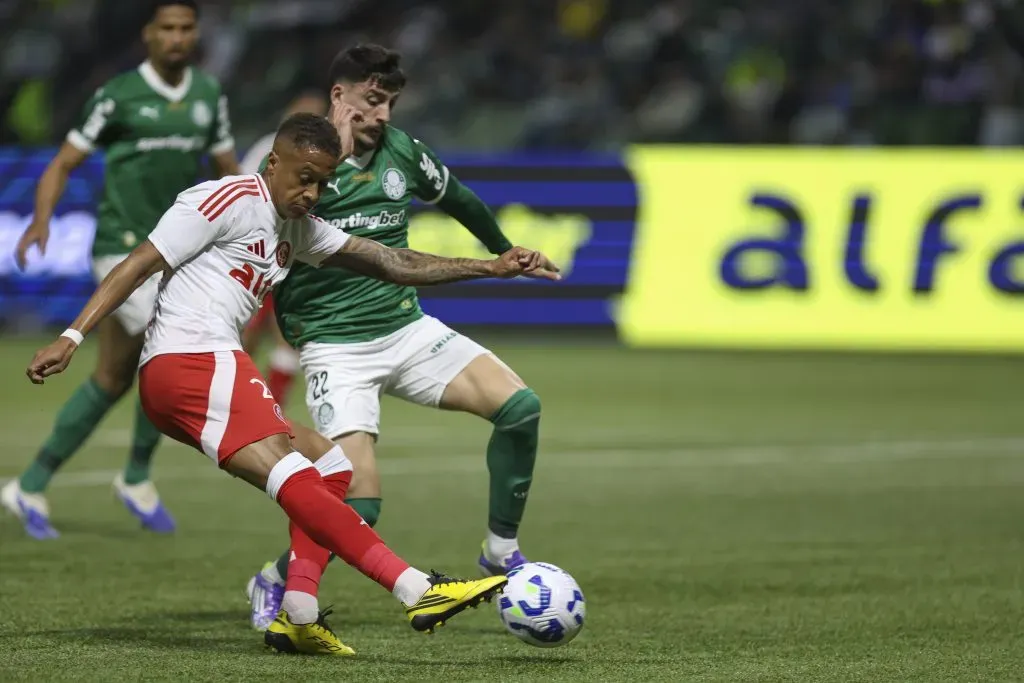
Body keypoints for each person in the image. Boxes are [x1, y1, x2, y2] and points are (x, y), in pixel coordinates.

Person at [26, 112, 558, 655]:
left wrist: (490, 267)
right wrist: (71, 336)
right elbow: (140, 262)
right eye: (304, 176)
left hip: (199, 372)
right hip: (191, 360)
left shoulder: (298, 229)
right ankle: (419, 589)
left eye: (323, 182)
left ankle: (298, 612)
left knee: (331, 466)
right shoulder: (226, 199)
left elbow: (394, 262)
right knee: (298, 477)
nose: (313, 191)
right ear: (274, 162)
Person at [245, 44, 558, 630]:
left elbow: (458, 197)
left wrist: (502, 250)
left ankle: (499, 551)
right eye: (372, 99)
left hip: (407, 330)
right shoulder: (302, 168)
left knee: (520, 407)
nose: (384, 113)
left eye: (389, 101)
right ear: (339, 97)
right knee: (360, 502)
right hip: (337, 349)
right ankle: (276, 578)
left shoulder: (402, 151)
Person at [2, 0, 239, 538]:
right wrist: (40, 221)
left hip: (177, 250)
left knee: (112, 378)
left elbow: (228, 170)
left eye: (186, 29)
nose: (178, 38)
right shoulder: (118, 96)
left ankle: (31, 484)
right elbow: (63, 162)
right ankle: (134, 474)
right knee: (174, 345)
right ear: (148, 36)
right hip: (122, 246)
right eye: (168, 29)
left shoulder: (207, 96)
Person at [239, 92, 327, 404]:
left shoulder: (328, 158)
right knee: (245, 335)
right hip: (260, 256)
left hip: (299, 261)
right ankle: (236, 399)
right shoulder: (266, 150)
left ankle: (270, 409)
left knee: (288, 338)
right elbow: (244, 196)